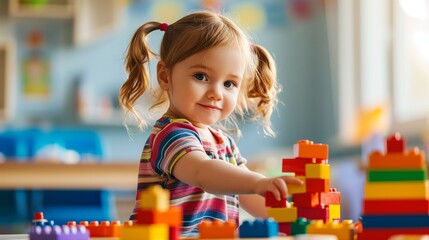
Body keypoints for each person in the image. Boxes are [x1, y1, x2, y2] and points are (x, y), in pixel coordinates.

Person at [119, 10, 303, 237]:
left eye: (229, 83)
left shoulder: (224, 143)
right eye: (201, 76)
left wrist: (293, 218)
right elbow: (201, 171)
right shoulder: (171, 135)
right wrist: (257, 182)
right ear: (165, 77)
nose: (216, 93)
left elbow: (248, 196)